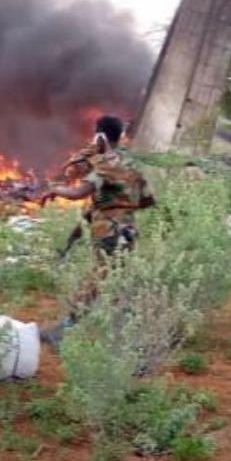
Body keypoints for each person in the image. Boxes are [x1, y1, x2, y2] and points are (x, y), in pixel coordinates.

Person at [39, 115, 155, 344]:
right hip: (128, 232)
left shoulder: (105, 164)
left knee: (96, 283)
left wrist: (54, 189)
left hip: (110, 235)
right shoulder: (129, 164)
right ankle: (132, 333)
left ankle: (66, 332)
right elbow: (146, 200)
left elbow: (78, 192)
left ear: (99, 135)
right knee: (115, 281)